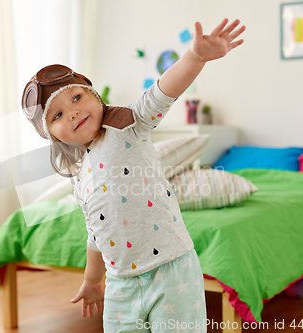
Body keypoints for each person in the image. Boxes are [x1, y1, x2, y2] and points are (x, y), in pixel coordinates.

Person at [22, 18, 245, 333]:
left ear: (94, 96)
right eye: (57, 115)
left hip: (171, 270)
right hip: (119, 283)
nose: (72, 111)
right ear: (52, 135)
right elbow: (95, 233)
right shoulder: (78, 173)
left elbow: (163, 91)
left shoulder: (127, 123)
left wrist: (195, 57)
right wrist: (91, 279)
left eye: (76, 97)